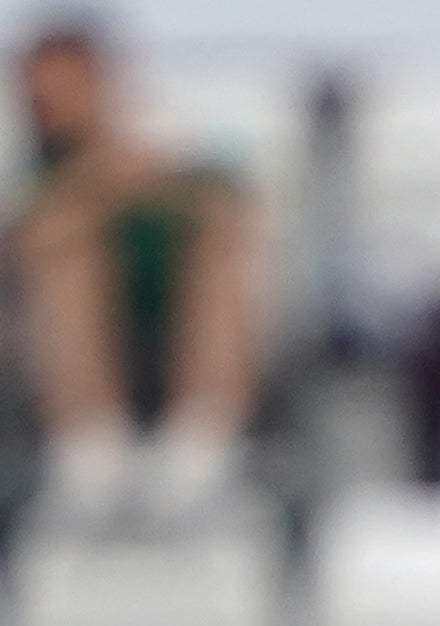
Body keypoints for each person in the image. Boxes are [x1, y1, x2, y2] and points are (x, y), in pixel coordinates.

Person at [9, 13, 258, 533]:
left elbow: (232, 209)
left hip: (176, 345)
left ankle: (198, 453)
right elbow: (27, 242)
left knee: (219, 260)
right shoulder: (33, 176)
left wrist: (149, 182)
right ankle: (92, 458)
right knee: (67, 258)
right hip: (56, 365)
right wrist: (97, 188)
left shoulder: (169, 156)